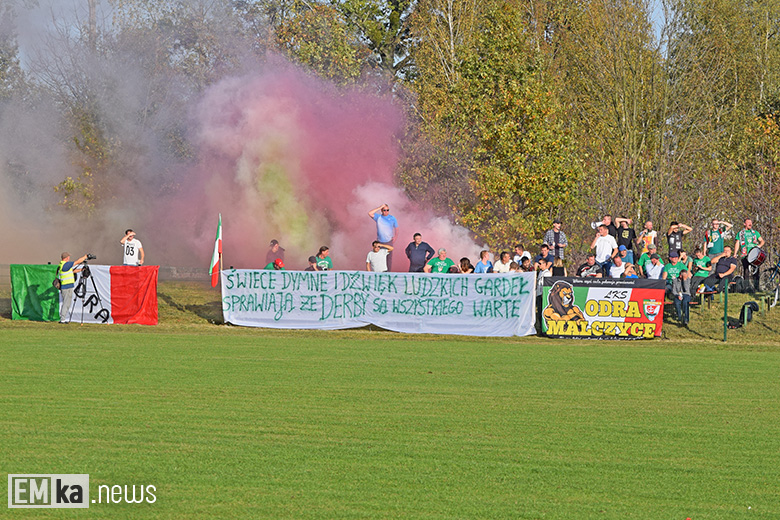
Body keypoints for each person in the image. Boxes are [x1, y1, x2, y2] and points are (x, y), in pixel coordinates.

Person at [56, 252, 89, 324]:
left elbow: (72, 271)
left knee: (67, 303)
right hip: (66, 287)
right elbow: (77, 262)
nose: (69, 258)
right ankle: (62, 320)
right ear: (66, 258)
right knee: (66, 303)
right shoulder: (65, 264)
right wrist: (85, 257)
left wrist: (81, 270)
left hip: (67, 287)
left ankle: (63, 319)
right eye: (68, 257)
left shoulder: (63, 265)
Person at [735, 218, 765, 292]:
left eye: (751, 222)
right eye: (748, 222)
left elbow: (762, 241)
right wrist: (735, 253)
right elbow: (737, 243)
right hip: (745, 254)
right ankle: (746, 288)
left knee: (756, 271)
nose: (750, 224)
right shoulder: (740, 233)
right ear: (744, 224)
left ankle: (757, 288)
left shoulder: (755, 233)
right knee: (746, 272)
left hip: (755, 255)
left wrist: (757, 247)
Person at [368, 204, 398, 270]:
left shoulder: (392, 218)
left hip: (388, 241)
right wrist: (380, 207)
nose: (386, 211)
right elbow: (370, 213)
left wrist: (395, 236)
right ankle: (379, 272)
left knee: (388, 259)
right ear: (381, 210)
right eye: (384, 210)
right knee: (379, 257)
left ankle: (388, 274)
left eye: (387, 210)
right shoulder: (378, 217)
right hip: (380, 241)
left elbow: (396, 228)